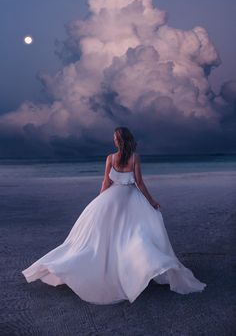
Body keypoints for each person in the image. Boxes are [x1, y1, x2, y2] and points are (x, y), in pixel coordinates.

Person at [22, 126, 206, 305]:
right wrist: (151, 201)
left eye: (114, 138)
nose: (113, 140)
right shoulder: (135, 158)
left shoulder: (110, 157)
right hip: (130, 198)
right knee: (133, 234)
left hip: (111, 198)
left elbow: (106, 182)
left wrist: (100, 202)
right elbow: (140, 184)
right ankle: (137, 267)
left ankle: (107, 268)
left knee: (106, 237)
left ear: (119, 141)